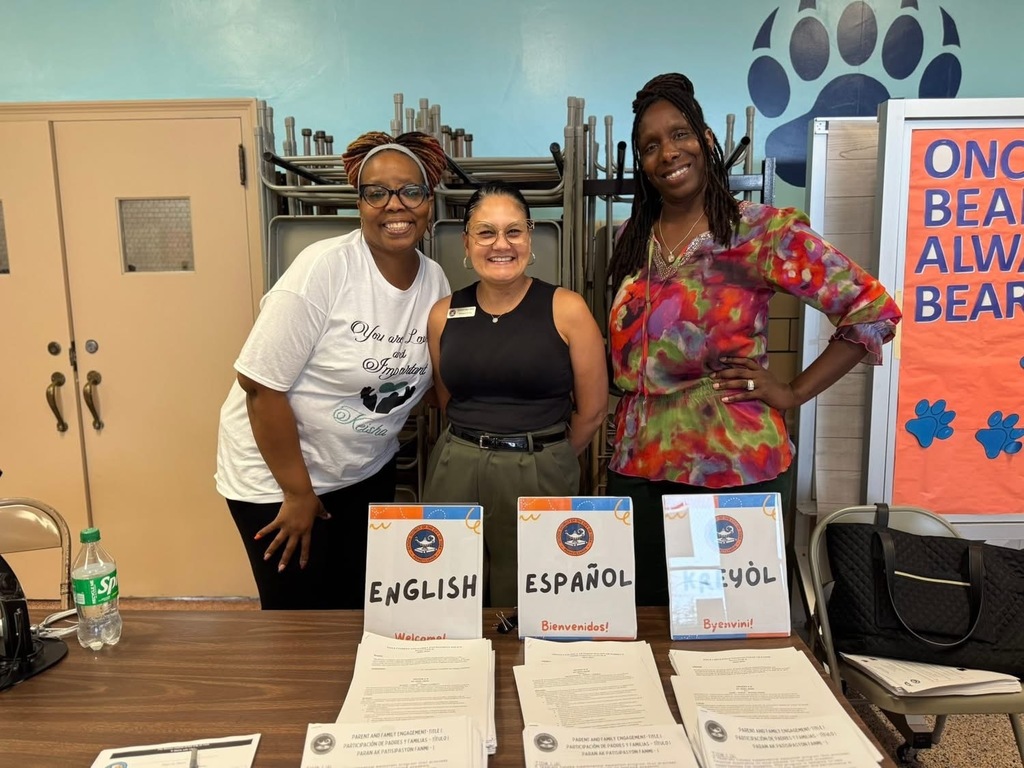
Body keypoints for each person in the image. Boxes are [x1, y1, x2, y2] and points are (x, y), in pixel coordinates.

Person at [606, 73, 902, 606]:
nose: (667, 152)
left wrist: (790, 392)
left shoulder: (761, 231)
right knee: (646, 629)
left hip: (732, 467)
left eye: (679, 134)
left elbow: (871, 309)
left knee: (728, 638)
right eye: (650, 146)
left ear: (707, 140)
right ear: (641, 164)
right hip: (638, 466)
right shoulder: (631, 241)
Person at [215, 131, 451, 609]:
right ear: (359, 202)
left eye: (411, 191)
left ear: (430, 200)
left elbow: (423, 381)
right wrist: (298, 494)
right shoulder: (323, 269)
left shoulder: (434, 279)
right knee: (301, 622)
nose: (395, 205)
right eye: (377, 192)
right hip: (278, 483)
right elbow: (259, 387)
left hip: (364, 470)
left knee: (363, 607)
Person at [422, 181, 608, 607]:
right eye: (486, 232)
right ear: (467, 244)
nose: (500, 244)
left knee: (537, 598)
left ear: (530, 237)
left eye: (513, 231)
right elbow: (447, 397)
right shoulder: (442, 314)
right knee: (449, 589)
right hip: (455, 467)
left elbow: (593, 410)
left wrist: (544, 455)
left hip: (539, 467)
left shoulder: (567, 308)